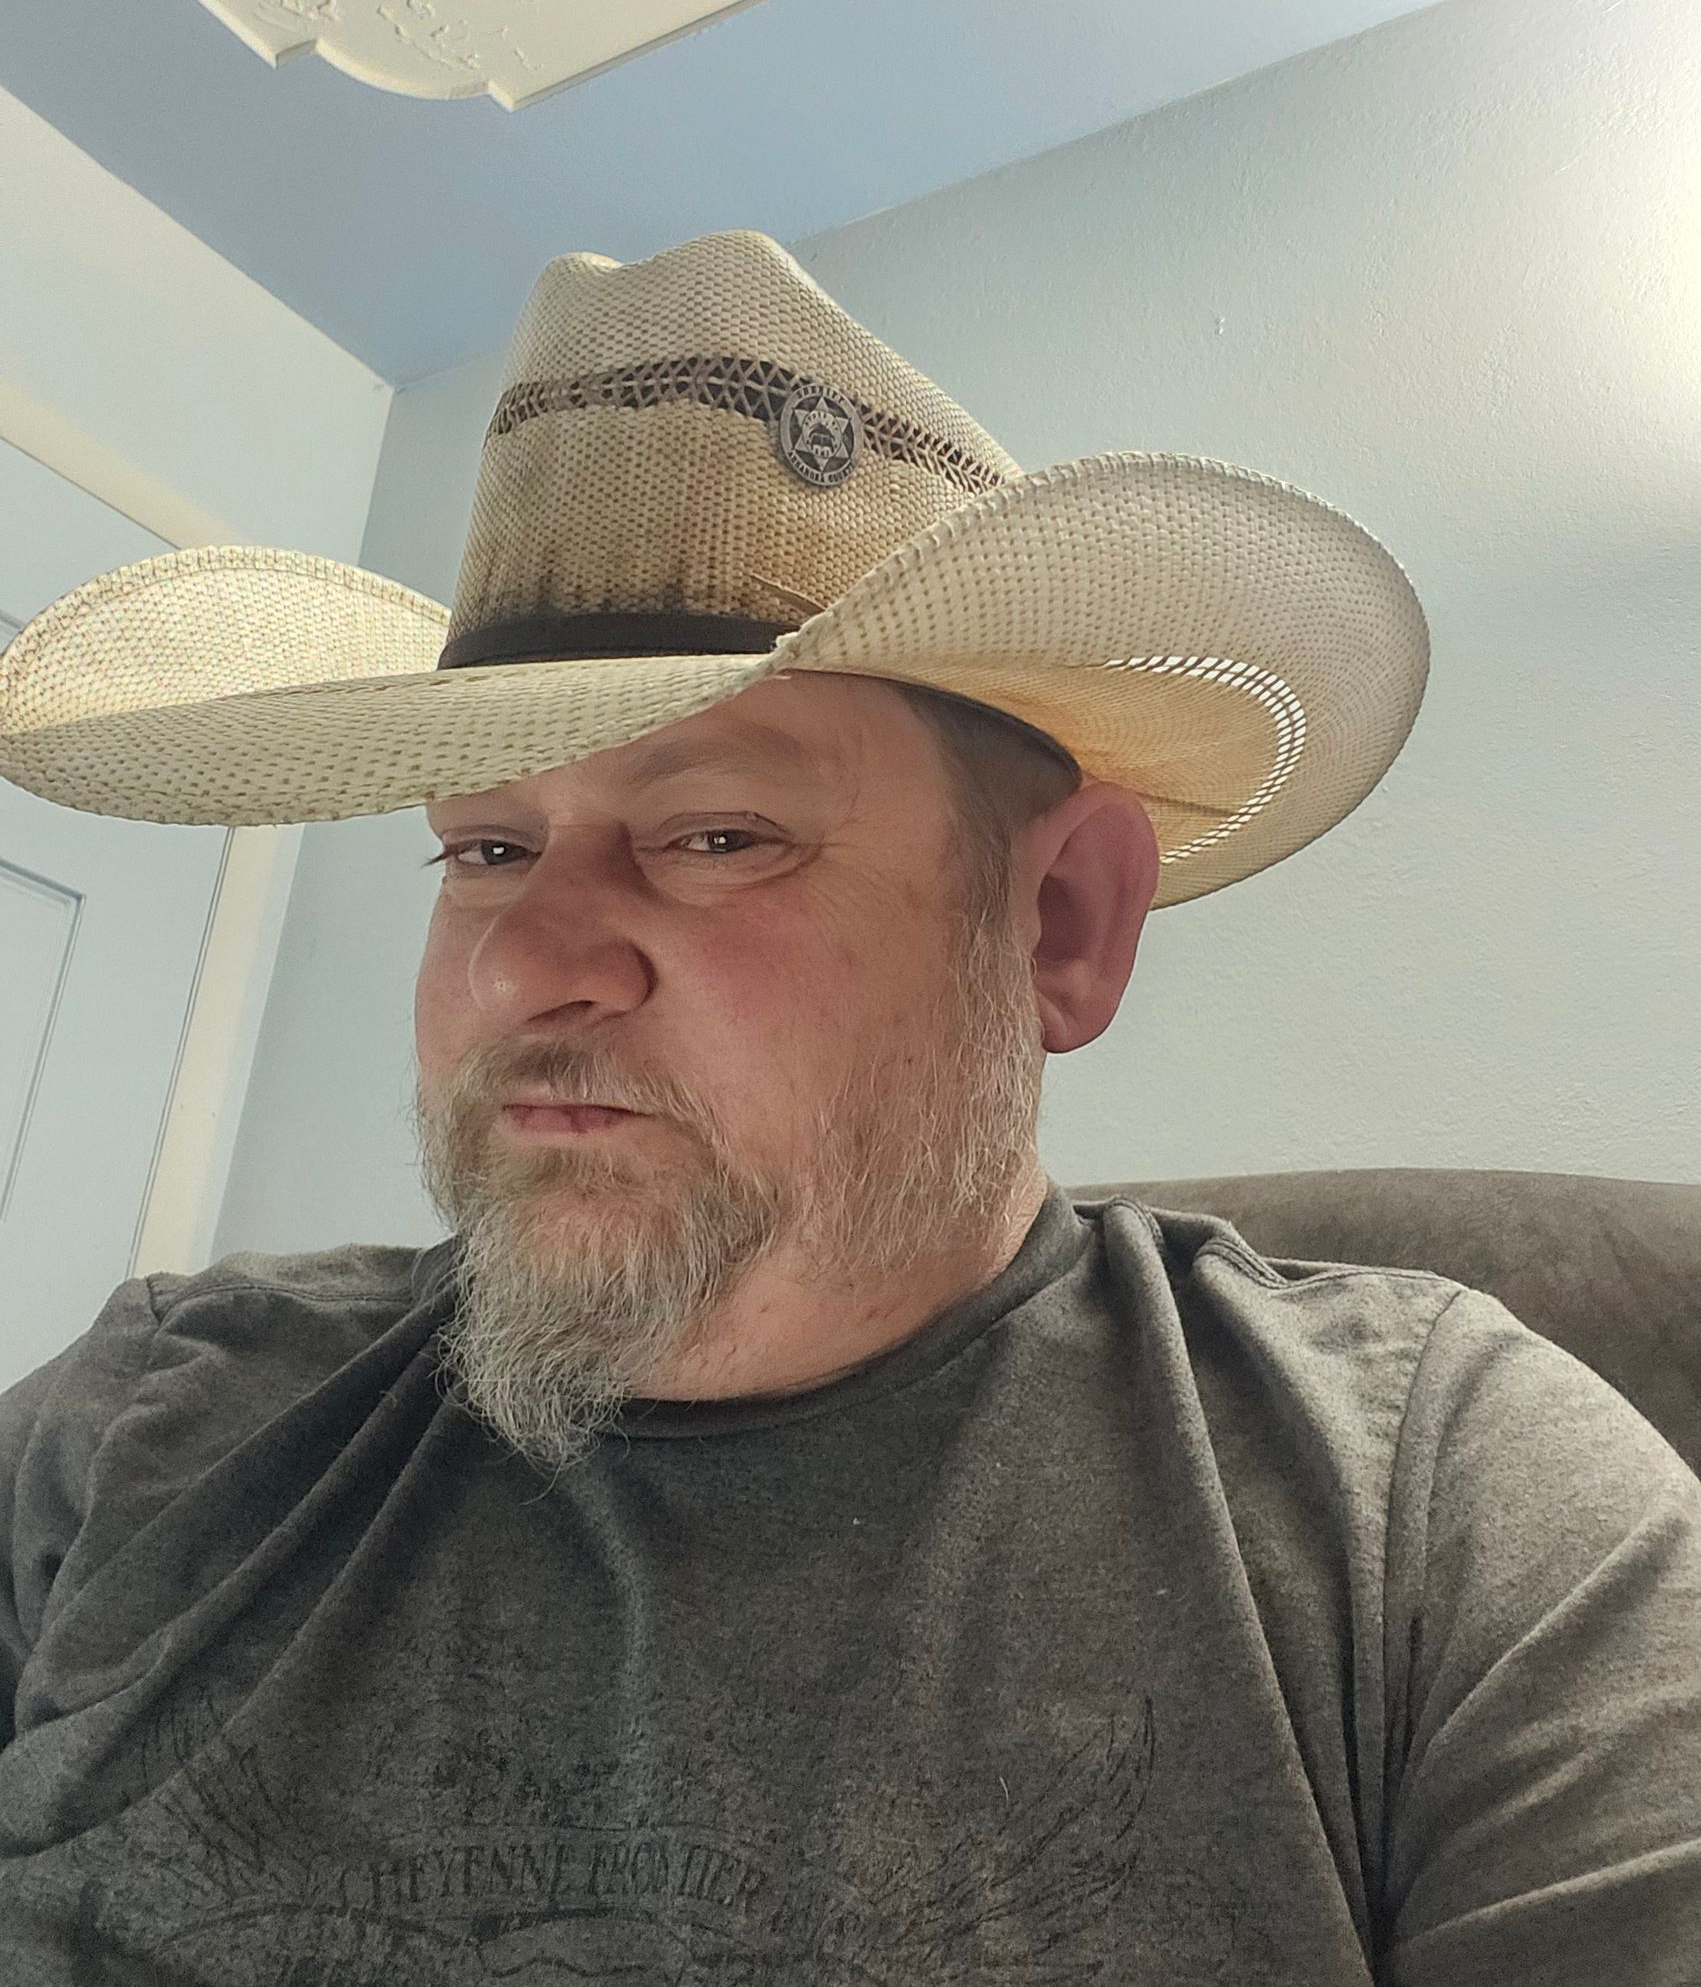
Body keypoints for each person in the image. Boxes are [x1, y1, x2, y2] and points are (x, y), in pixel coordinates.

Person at [0, 229, 1695, 1982]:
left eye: (714, 836)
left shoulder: (1440, 1500)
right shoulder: (145, 1427)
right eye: (486, 848)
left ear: (1056, 923)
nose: (525, 968)